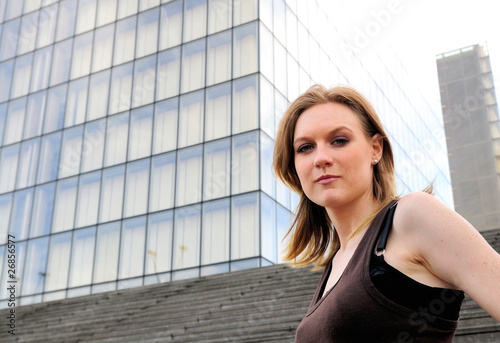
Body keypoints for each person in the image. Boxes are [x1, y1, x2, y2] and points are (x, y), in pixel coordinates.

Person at [273, 85, 500, 342]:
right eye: (305, 147)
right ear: (294, 166)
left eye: (339, 141)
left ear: (375, 150)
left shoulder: (412, 216)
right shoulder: (335, 264)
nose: (321, 158)